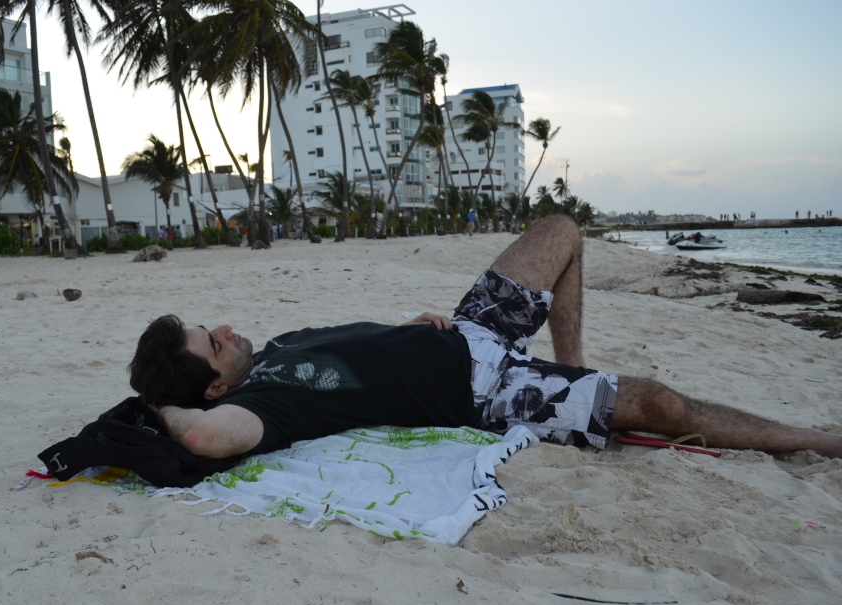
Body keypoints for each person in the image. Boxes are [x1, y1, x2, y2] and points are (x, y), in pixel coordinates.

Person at [128, 214, 842, 460]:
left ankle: (576, 371)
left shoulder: (281, 344)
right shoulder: (262, 405)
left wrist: (408, 329)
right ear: (215, 387)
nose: (226, 330)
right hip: (490, 390)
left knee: (561, 231)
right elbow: (205, 439)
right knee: (661, 405)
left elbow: (359, 350)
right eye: (214, 343)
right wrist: (158, 406)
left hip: (468, 329)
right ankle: (817, 439)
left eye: (211, 327)